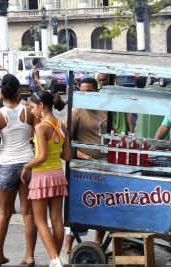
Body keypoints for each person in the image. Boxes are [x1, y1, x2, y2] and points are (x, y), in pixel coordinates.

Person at [0, 74, 39, 266]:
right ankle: (29, 256)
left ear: (1, 92)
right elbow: (34, 136)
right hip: (27, 163)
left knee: (4, 213)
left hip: (7, 165)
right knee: (28, 213)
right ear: (18, 91)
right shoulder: (28, 111)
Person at [21, 90, 70, 267]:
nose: (32, 111)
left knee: (39, 219)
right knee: (57, 219)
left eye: (33, 107)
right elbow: (68, 156)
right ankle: (55, 257)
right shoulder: (62, 126)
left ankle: (54, 259)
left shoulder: (41, 127)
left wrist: (27, 166)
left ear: (41, 106)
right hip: (58, 175)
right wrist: (54, 149)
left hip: (41, 177)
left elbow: (41, 156)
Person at [63, 77, 108, 250]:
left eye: (89, 91)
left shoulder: (105, 111)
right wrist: (83, 156)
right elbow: (65, 142)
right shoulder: (76, 111)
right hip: (80, 169)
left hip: (103, 167)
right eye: (82, 91)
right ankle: (68, 247)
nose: (85, 94)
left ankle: (98, 243)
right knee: (78, 208)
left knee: (102, 205)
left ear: (97, 92)